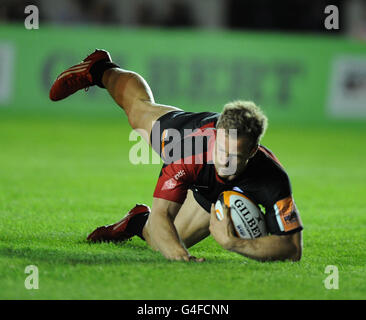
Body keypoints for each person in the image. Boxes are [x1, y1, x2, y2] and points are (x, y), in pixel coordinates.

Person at [50, 49, 303, 262]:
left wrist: (234, 243)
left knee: (156, 241)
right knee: (138, 110)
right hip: (182, 133)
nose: (225, 161)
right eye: (222, 150)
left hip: (211, 190)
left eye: (235, 155)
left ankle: (136, 221)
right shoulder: (187, 151)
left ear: (252, 150)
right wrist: (182, 257)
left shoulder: (272, 177)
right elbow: (162, 213)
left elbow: (292, 249)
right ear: (215, 136)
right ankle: (99, 68)